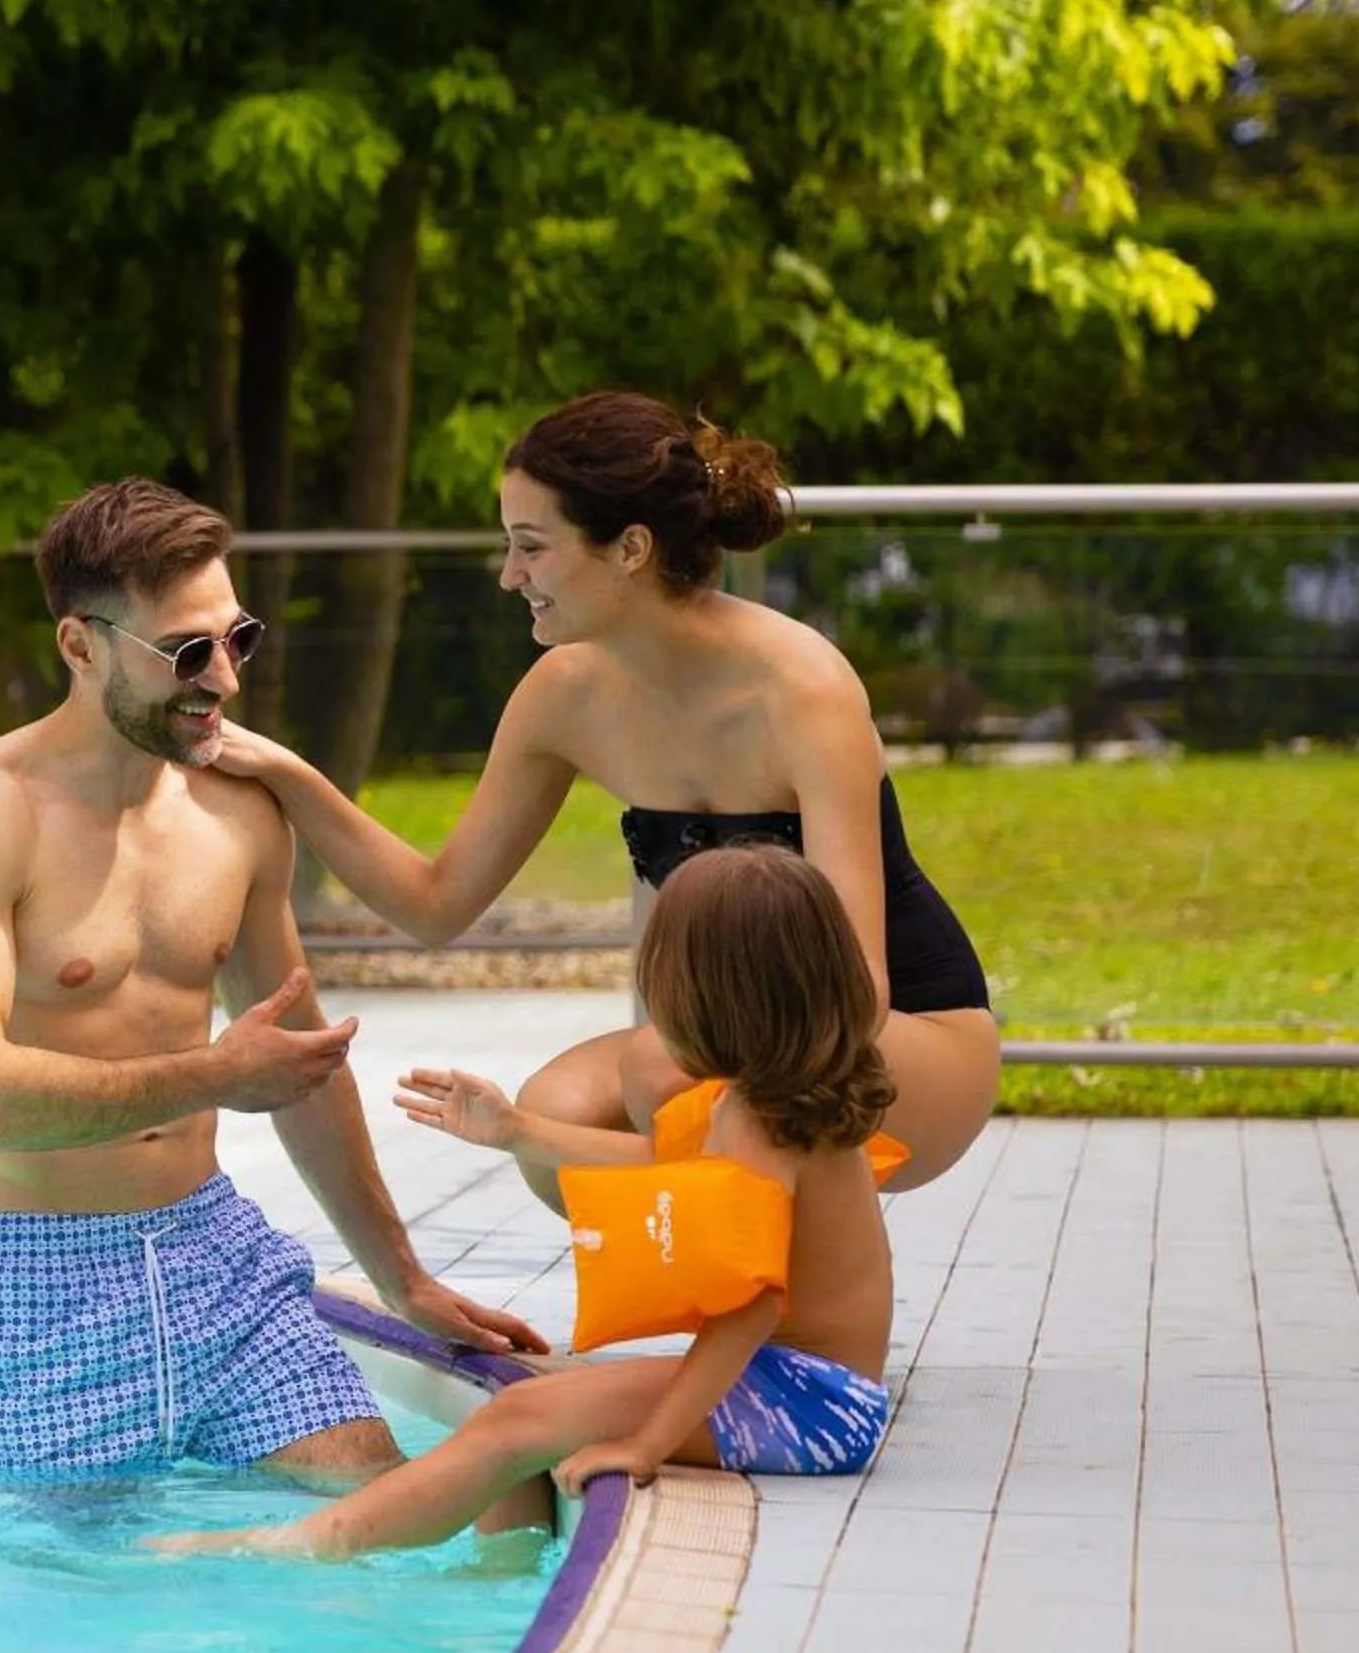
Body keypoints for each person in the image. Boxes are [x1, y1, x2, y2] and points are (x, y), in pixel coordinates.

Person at [0, 477, 546, 1489]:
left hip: (217, 1255)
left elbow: (302, 1066)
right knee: (85, 1600)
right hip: (41, 1276)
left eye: (239, 638)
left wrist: (403, 1280)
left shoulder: (236, 816)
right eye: (188, 653)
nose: (226, 680)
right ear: (81, 646)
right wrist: (210, 1074)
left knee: (410, 1506)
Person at [209, 390, 997, 1205]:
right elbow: (434, 905)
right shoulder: (564, 696)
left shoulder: (801, 689)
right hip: (737, 1038)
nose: (511, 575)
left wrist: (684, 1062)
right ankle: (711, 1311)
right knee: (559, 1123)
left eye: (532, 548)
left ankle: (777, 1314)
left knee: (652, 1074)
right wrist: (286, 774)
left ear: (630, 548)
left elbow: (857, 989)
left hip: (902, 1042)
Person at [158, 843, 900, 1560]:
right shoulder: (780, 1098)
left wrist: (649, 1443)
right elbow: (666, 1164)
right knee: (514, 1416)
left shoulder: (759, 1119)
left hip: (810, 1406)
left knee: (517, 1424)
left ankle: (302, 1545)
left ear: (702, 992)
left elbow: (750, 1307)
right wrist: (515, 1131)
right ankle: (494, 1574)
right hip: (816, 1393)